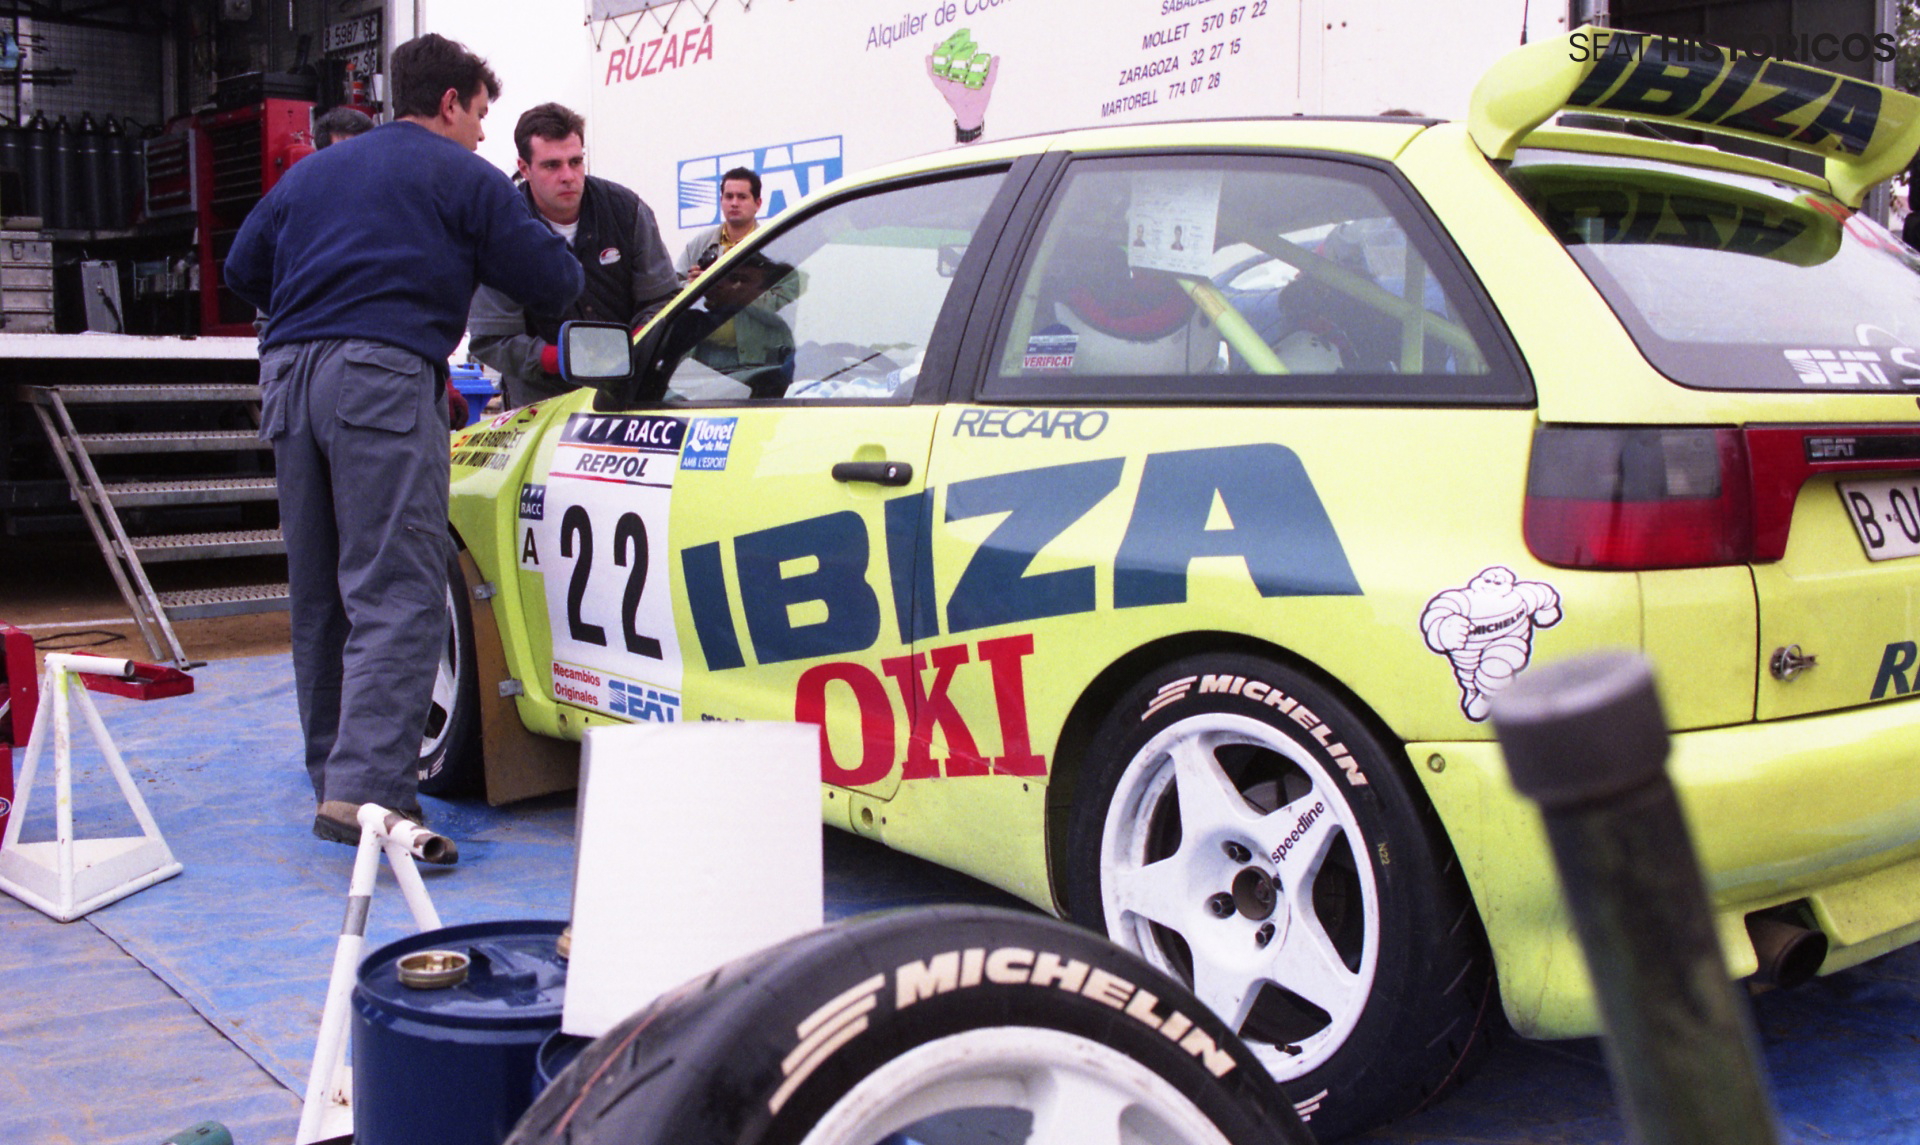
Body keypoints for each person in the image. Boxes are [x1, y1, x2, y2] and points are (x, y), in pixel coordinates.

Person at [224, 33, 583, 855]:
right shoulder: (464, 176)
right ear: (450, 103)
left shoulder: (313, 172)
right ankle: (370, 795)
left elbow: (246, 268)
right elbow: (554, 283)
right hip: (378, 377)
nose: (487, 136)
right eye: (483, 116)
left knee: (321, 592)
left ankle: (335, 780)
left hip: (287, 374)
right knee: (398, 588)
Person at [467, 103, 680, 410]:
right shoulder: (501, 229)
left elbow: (662, 299)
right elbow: (492, 338)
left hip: (628, 394)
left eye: (576, 161)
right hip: (541, 405)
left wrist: (633, 343)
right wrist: (558, 358)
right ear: (524, 168)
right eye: (552, 165)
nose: (568, 176)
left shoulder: (627, 211)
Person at [677, 166, 763, 281]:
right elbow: (673, 288)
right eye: (729, 197)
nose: (734, 203)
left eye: (742, 197)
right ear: (721, 201)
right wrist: (693, 286)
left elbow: (785, 295)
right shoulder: (699, 243)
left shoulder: (770, 245)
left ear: (757, 204)